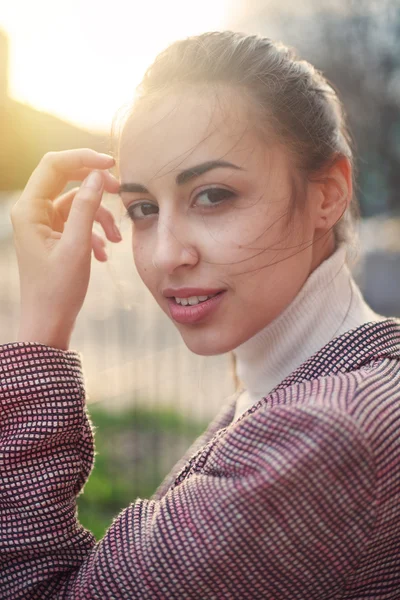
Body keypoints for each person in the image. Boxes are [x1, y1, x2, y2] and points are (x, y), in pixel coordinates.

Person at [1, 30, 400, 599]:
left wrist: (42, 328)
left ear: (327, 194)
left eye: (213, 196)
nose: (166, 254)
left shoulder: (326, 436)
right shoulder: (325, 377)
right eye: (142, 208)